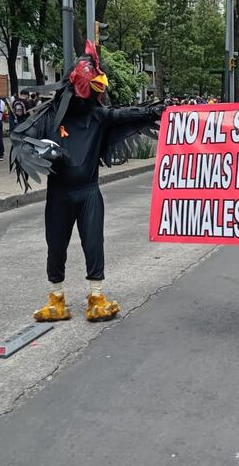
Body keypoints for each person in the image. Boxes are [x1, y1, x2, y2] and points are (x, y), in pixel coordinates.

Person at [10, 40, 164, 324]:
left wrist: (156, 111)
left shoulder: (98, 117)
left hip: (88, 193)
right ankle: (56, 298)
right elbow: (20, 137)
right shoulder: (50, 118)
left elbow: (124, 114)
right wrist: (36, 150)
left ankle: (96, 296)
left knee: (93, 243)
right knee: (55, 245)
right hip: (59, 195)